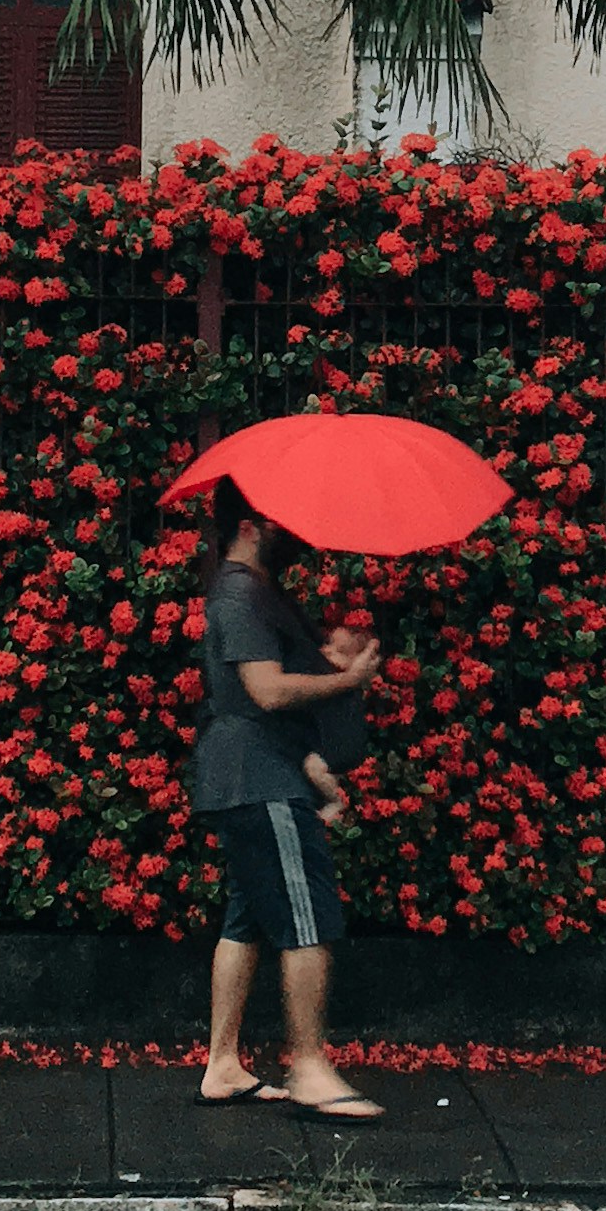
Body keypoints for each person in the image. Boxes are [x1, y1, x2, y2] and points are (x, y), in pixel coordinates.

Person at [192, 476, 385, 1118]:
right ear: (248, 525)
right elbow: (268, 692)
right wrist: (349, 680)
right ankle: (309, 1068)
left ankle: (222, 1065)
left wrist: (333, 659)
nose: (292, 531)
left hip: (252, 773)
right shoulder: (242, 594)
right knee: (307, 918)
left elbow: (269, 690)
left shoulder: (256, 594)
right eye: (277, 520)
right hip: (260, 778)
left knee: (248, 917)